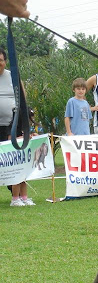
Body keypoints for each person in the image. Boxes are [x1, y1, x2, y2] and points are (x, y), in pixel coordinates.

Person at [0, 48, 34, 206]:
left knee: (14, 161)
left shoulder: (12, 76)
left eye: (1, 60)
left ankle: (19, 197)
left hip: (12, 126)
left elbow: (22, 99)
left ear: (5, 61)